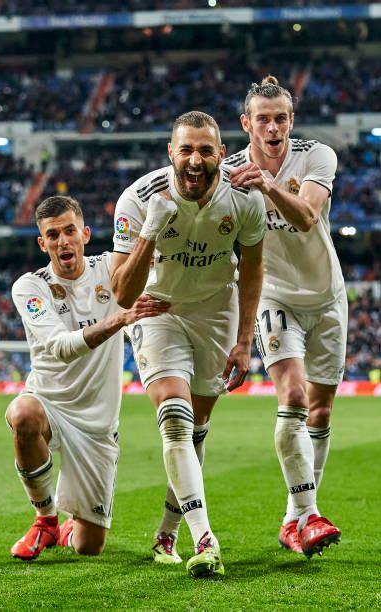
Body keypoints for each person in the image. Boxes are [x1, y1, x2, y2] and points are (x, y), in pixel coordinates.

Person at [111, 110, 266, 577]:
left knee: (196, 426)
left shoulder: (244, 198)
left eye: (205, 150)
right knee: (174, 420)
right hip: (158, 310)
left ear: (221, 153)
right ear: (170, 153)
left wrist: (244, 340)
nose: (195, 161)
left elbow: (254, 270)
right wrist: (149, 232)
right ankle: (206, 539)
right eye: (186, 150)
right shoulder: (138, 199)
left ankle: (166, 531)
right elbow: (121, 292)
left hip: (217, 309)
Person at [7, 195, 169, 561]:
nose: (62, 241)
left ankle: (71, 527)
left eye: (69, 231)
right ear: (42, 243)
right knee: (23, 415)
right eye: (52, 235)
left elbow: (157, 269)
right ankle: (46, 519)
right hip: (50, 403)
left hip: (97, 425)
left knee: (89, 547)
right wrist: (120, 319)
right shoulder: (30, 287)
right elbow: (61, 347)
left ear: (85, 233)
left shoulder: (111, 269)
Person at [226, 76, 347, 558]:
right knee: (293, 395)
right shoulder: (229, 170)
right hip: (274, 299)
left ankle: (295, 517)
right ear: (246, 124)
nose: (272, 127)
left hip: (327, 296)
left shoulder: (317, 156)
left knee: (320, 411)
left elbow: (306, 218)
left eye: (280, 118)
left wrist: (268, 185)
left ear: (291, 121)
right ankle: (312, 515)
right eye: (263, 119)